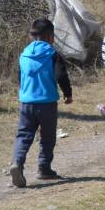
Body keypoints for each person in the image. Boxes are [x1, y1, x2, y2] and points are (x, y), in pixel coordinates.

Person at [9, 18, 72, 187]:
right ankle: (44, 168)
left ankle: (17, 162)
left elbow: (20, 76)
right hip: (47, 103)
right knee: (47, 137)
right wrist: (68, 94)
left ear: (31, 36)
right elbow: (61, 76)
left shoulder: (24, 54)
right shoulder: (53, 54)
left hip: (26, 102)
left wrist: (23, 91)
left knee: (24, 134)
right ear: (51, 37)